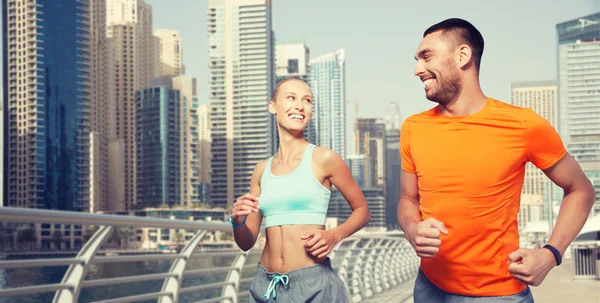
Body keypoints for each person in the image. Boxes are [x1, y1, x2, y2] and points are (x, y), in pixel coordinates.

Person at [398, 18, 596, 303]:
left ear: (463, 56)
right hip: (429, 289)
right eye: (416, 60)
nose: (417, 69)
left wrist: (551, 254)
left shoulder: (524, 124)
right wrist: (412, 228)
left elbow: (581, 190)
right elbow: (407, 199)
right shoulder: (413, 128)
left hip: (500, 295)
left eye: (426, 57)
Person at [229, 77, 371, 302]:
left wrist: (333, 236)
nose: (299, 106)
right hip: (266, 286)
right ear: (273, 106)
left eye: (307, 100)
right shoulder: (261, 170)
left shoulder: (324, 158)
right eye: (291, 98)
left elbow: (362, 210)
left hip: (314, 284)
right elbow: (246, 242)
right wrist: (237, 221)